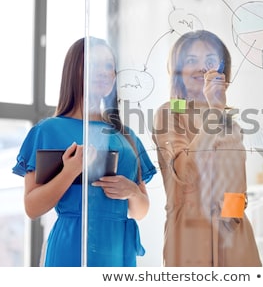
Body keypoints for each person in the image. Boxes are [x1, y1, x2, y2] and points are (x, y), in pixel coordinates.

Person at [12, 37, 157, 266]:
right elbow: (32, 207)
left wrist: (132, 192)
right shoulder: (48, 131)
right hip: (70, 248)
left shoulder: (127, 136)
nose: (103, 72)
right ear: (74, 70)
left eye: (109, 66)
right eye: (93, 64)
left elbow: (140, 211)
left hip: (118, 249)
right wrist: (69, 172)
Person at [152, 30, 262, 266]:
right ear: (177, 70)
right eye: (191, 60)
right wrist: (214, 112)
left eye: (210, 61)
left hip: (235, 242)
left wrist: (230, 218)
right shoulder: (169, 113)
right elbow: (185, 172)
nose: (202, 68)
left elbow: (237, 189)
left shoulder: (230, 123)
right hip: (189, 239)